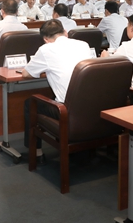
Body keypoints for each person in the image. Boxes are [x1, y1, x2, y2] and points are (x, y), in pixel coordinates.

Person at [22, 19, 92, 161]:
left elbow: (26, 73)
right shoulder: (83, 44)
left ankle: (36, 152)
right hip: (90, 105)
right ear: (65, 32)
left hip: (66, 110)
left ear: (45, 39)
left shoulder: (46, 49)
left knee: (30, 103)